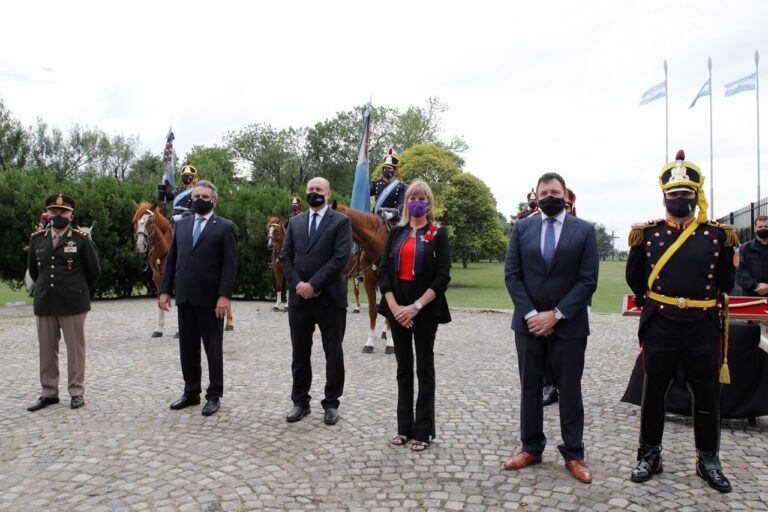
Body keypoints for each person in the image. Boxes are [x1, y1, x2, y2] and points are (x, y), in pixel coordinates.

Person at [626, 149, 738, 493]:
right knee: (654, 392)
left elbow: (725, 285)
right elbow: (636, 279)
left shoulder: (717, 236)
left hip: (702, 324)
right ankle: (649, 455)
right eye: (674, 195)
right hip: (661, 323)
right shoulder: (647, 234)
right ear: (664, 198)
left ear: (696, 196)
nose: (680, 200)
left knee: (706, 396)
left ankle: (708, 460)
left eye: (686, 195)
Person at [503, 172, 598, 484]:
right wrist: (532, 314)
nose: (548, 196)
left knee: (570, 390)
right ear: (537, 196)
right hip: (527, 325)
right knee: (530, 387)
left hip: (569, 327)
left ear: (565, 195)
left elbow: (588, 280)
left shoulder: (584, 231)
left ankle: (574, 454)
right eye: (543, 192)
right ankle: (531, 447)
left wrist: (555, 315)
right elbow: (512, 275)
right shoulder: (521, 228)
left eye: (554, 191)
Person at [377, 179, 451, 452]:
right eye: (412, 197)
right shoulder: (396, 233)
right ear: (406, 202)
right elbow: (384, 272)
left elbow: (443, 276)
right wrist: (396, 308)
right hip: (397, 310)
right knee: (403, 369)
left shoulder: (438, 233)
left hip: (425, 311)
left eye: (421, 198)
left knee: (424, 369)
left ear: (429, 203)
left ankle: (423, 431)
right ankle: (403, 428)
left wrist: (416, 307)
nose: (416, 202)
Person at [159, 180, 238, 417]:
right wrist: (165, 290)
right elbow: (172, 259)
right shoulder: (182, 226)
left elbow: (230, 266)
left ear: (214, 200)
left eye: (204, 196)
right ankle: (191, 391)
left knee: (212, 349)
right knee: (187, 348)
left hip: (211, 299)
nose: (199, 199)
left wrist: (224, 296)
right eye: (196, 196)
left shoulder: (225, 227)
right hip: (185, 295)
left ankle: (214, 395)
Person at [279, 177, 352, 425]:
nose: (314, 192)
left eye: (318, 189)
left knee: (333, 353)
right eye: (310, 189)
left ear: (328, 193)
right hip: (299, 299)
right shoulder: (296, 222)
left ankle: (331, 403)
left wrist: (315, 285)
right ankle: (300, 402)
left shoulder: (341, 222)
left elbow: (340, 258)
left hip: (329, 298)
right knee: (300, 353)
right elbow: (285, 256)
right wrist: (300, 285)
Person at [26, 193, 101, 411]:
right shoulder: (37, 238)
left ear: (70, 215)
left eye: (63, 211)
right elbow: (34, 270)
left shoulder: (80, 239)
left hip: (73, 303)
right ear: (47, 213)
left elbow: (94, 271)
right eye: (53, 211)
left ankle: (76, 391)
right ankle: (49, 392)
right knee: (47, 349)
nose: (57, 214)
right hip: (45, 302)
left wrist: (77, 290)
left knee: (75, 350)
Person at [542, 186, 579, 407]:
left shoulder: (577, 226)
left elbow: (586, 276)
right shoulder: (530, 224)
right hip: (541, 303)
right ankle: (548, 384)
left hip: (570, 301)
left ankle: (566, 386)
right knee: (545, 348)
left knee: (570, 353)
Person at [371, 147, 407, 223]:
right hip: (376, 218)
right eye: (385, 168)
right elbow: (363, 195)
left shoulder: (400, 186)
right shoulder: (376, 184)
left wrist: (391, 214)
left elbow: (401, 205)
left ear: (395, 170)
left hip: (392, 220)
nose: (387, 170)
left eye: (389, 168)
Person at [736, 215, 768, 296]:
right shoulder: (744, 248)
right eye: (760, 226)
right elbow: (739, 271)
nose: (763, 229)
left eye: (766, 226)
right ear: (755, 229)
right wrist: (756, 285)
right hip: (751, 295)